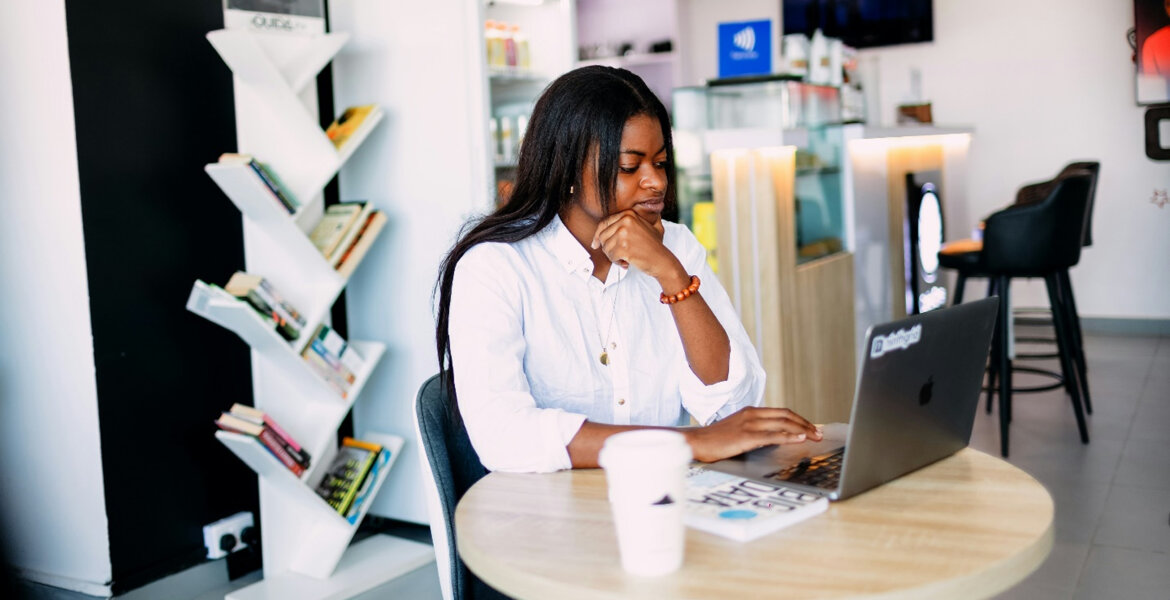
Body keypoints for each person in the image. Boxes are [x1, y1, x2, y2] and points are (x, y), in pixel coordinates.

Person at [434, 66, 822, 473]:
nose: (655, 182)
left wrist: (671, 275)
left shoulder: (675, 247)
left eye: (660, 162)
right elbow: (504, 437)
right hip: (549, 514)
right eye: (629, 167)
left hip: (662, 500)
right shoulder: (495, 267)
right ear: (566, 169)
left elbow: (732, 409)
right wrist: (690, 443)